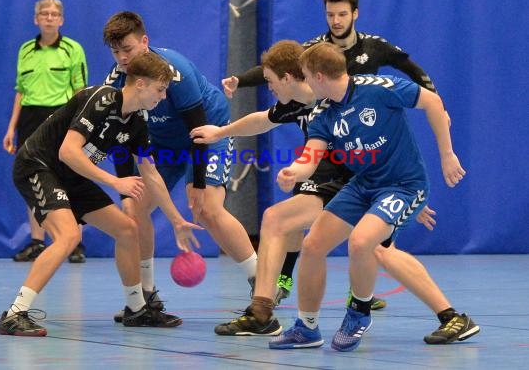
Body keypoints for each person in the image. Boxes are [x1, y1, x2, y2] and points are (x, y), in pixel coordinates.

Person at [193, 40, 474, 343]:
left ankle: (369, 310)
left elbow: (430, 102)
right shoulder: (316, 111)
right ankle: (292, 320)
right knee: (311, 239)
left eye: (271, 80)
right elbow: (283, 135)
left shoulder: (366, 89)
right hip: (358, 183)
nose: (270, 86)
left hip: (382, 182)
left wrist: (445, 155)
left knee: (368, 244)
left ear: (309, 76)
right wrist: (292, 170)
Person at [222, 0, 444, 303]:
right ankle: (284, 282)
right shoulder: (314, 52)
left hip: (364, 143)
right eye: (330, 15)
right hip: (328, 140)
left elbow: (412, 70)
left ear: (355, 14)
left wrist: (436, 103)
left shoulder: (374, 50)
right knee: (300, 215)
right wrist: (241, 80)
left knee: (368, 234)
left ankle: (362, 291)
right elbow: (279, 68)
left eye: (342, 14)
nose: (336, 21)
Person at [0, 52, 202, 337]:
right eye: (160, 89)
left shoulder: (137, 122)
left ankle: (136, 309)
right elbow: (68, 151)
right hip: (39, 165)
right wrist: (114, 183)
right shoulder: (103, 99)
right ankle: (15, 313)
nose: (164, 97)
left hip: (72, 174)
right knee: (69, 236)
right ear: (140, 84)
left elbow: (151, 174)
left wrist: (177, 220)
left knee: (128, 229)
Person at [102, 11, 257, 322]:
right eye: (116, 52)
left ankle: (262, 281)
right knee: (133, 209)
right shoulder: (117, 82)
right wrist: (126, 189)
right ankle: (147, 296)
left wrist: (197, 184)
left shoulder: (175, 73)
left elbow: (198, 129)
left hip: (208, 133)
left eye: (128, 49)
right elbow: (120, 140)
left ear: (144, 42)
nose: (122, 58)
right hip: (162, 144)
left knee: (207, 210)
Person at [3, 0, 88, 263]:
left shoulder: (73, 49)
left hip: (61, 117)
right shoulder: (26, 49)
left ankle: (75, 243)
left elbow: (80, 91)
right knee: (33, 177)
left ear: (61, 20)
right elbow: (20, 91)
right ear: (36, 19)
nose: (49, 18)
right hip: (29, 117)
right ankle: (37, 242)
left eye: (54, 14)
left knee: (68, 176)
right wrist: (11, 128)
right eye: (44, 14)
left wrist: (80, 128)